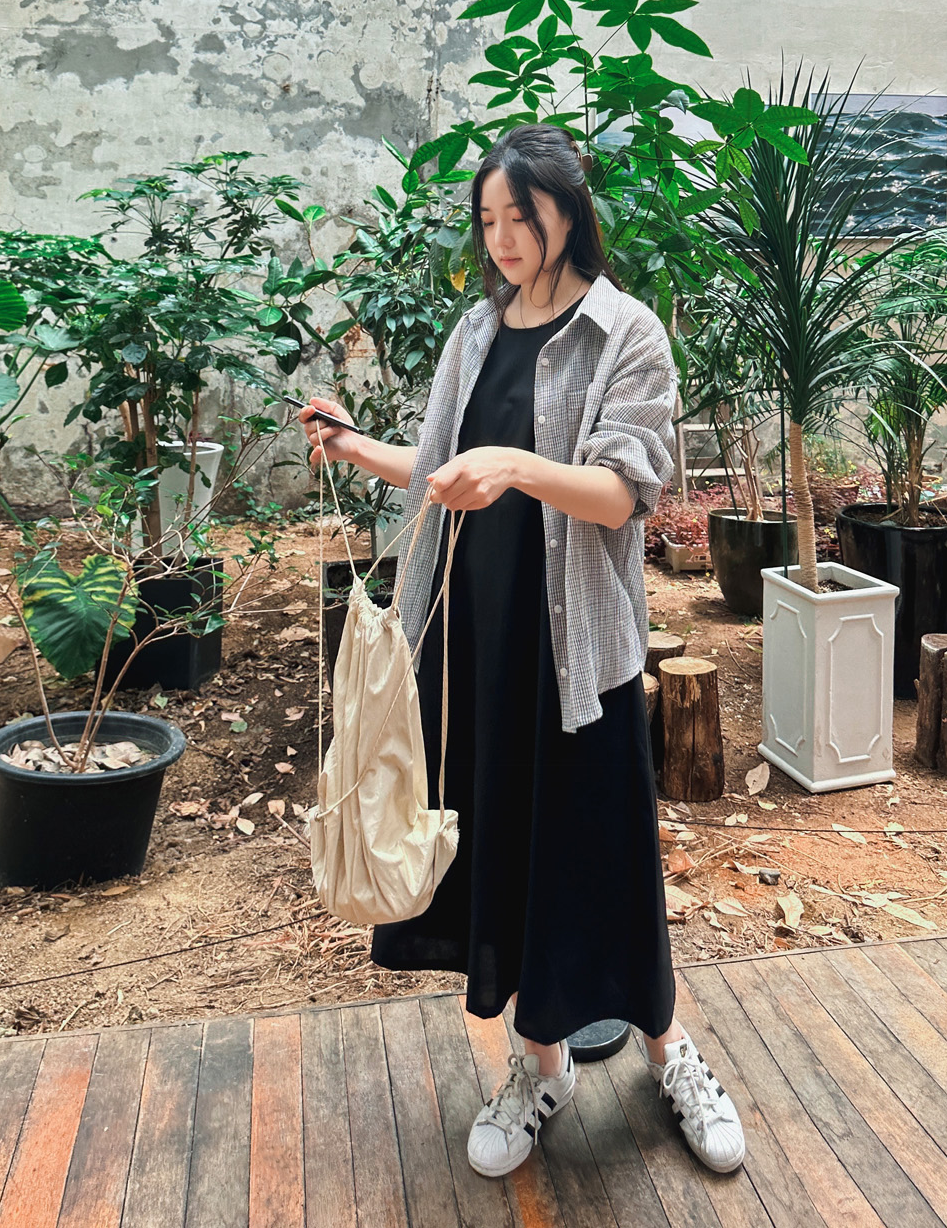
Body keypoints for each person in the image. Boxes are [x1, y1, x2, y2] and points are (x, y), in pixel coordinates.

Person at [300, 124, 745, 1179]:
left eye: (521, 217)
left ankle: (670, 1052)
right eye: (488, 219)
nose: (501, 239)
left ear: (567, 213)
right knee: (503, 851)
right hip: (474, 644)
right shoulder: (476, 331)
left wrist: (513, 462)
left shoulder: (624, 334)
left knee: (604, 857)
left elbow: (623, 494)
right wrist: (353, 445)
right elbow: (440, 468)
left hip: (576, 650)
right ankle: (538, 1067)